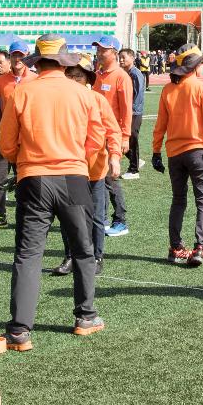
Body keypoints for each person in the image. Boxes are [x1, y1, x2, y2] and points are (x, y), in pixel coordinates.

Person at [0, 35, 109, 351]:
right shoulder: (82, 94)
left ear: (38, 61)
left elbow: (6, 144)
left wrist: (25, 158)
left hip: (34, 177)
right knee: (83, 249)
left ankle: (20, 331)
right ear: (63, 61)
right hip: (74, 175)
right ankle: (85, 317)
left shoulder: (22, 92)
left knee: (29, 254)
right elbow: (95, 140)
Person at [152, 44, 203, 266]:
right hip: (198, 152)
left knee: (178, 200)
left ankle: (175, 248)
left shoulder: (168, 90)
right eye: (202, 63)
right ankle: (199, 248)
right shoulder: (201, 88)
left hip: (174, 154)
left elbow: (160, 125)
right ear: (196, 66)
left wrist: (155, 151)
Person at [50, 57, 123, 276]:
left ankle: (96, 256)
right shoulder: (58, 101)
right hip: (68, 168)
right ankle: (70, 256)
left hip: (94, 170)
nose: (73, 80)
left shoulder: (97, 100)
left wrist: (115, 156)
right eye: (69, 75)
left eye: (78, 76)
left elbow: (112, 131)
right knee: (68, 216)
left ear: (88, 79)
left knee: (96, 216)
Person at [0, 41, 32, 229]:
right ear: (10, 58)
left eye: (21, 55)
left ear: (28, 56)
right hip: (6, 138)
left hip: (28, 140)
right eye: (14, 55)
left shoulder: (35, 79)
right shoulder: (1, 80)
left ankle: (28, 214)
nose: (18, 59)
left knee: (26, 177)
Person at [92, 36, 134, 236]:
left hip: (112, 134)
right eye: (98, 49)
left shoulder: (121, 77)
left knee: (110, 178)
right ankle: (104, 217)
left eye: (104, 50)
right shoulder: (98, 75)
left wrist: (125, 136)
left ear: (115, 53)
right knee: (100, 177)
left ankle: (120, 220)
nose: (99, 53)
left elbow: (127, 110)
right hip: (97, 134)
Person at [119, 48, 146, 179]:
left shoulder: (135, 74)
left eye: (124, 57)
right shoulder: (126, 73)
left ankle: (134, 170)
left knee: (132, 139)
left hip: (134, 112)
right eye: (120, 57)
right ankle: (136, 160)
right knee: (122, 139)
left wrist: (130, 111)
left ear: (132, 58)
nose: (121, 60)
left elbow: (137, 95)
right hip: (128, 111)